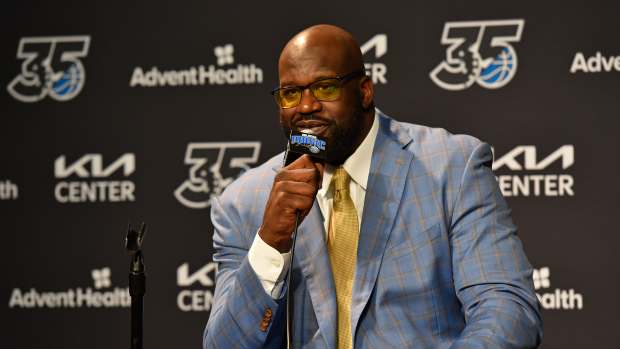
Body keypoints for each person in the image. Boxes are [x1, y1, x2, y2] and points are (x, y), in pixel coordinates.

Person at [203, 24, 543, 348]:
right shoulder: (244, 202)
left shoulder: (450, 168)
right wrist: (270, 243)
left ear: (364, 91)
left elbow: (506, 309)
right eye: (291, 93)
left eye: (325, 87)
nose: (306, 107)